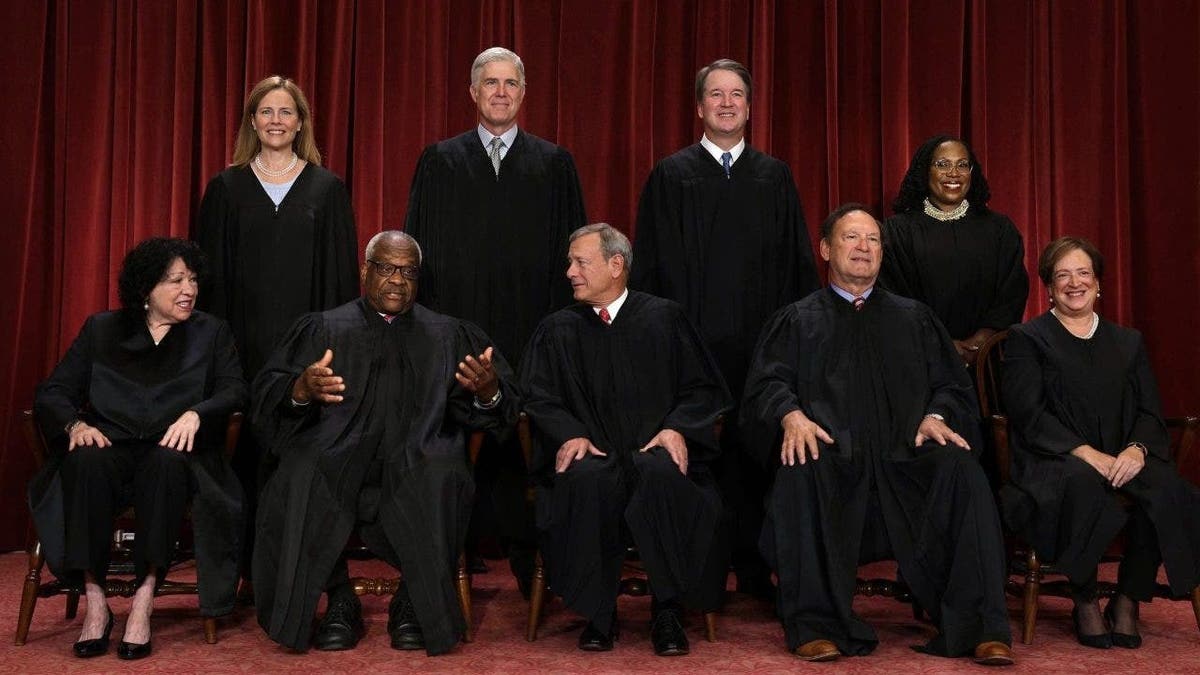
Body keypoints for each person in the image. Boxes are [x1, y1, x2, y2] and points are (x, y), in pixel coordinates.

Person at [741, 204, 1015, 666]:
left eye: (872, 239)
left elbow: (952, 386)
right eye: (851, 238)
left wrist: (937, 415)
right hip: (832, 458)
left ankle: (979, 626)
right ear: (826, 249)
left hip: (906, 457)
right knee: (800, 466)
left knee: (960, 469)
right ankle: (815, 624)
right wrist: (790, 415)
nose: (863, 247)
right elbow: (766, 385)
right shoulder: (797, 320)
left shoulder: (915, 319)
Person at [250, 231, 519, 655]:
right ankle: (340, 598)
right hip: (337, 452)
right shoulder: (323, 327)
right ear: (365, 271)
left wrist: (489, 392)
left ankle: (413, 601)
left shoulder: (448, 335)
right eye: (387, 268)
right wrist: (300, 389)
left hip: (418, 453)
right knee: (298, 475)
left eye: (408, 271)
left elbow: (496, 410)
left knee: (443, 474)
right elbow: (267, 397)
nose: (397, 280)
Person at [632, 59, 819, 597]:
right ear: (699, 106)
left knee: (756, 451)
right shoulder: (671, 175)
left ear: (749, 106)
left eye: (737, 94)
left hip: (761, 347)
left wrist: (791, 344)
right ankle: (698, 572)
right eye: (716, 94)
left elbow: (796, 266)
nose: (728, 103)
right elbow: (650, 267)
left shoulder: (774, 175)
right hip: (691, 345)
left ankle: (757, 564)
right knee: (696, 456)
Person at [404, 46, 587, 589]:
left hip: (532, 324)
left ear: (524, 93)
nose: (501, 93)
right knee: (460, 432)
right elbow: (416, 251)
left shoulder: (554, 164)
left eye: (511, 84)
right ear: (473, 93)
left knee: (527, 432)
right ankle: (460, 541)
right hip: (459, 325)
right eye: (491, 84)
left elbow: (574, 253)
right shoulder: (439, 161)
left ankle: (529, 545)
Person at [29, 238, 246, 660]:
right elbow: (53, 392)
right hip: (112, 444)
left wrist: (198, 413)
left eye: (193, 279)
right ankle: (96, 602)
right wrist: (75, 424)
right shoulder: (101, 329)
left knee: (166, 465)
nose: (189, 290)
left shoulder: (210, 332)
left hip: (172, 449)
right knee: (86, 462)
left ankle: (144, 598)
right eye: (176, 281)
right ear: (146, 290)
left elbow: (236, 389)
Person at [520, 223, 731, 656]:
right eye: (570, 262)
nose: (570, 272)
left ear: (616, 265)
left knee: (661, 473)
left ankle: (668, 610)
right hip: (593, 455)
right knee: (587, 480)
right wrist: (570, 433)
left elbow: (704, 390)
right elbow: (538, 397)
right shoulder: (557, 330)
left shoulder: (665, 318)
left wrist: (677, 428)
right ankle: (599, 613)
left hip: (652, 451)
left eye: (580, 262)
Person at [195, 75, 359, 588]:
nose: (276, 121)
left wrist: (329, 353)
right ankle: (243, 573)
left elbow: (339, 279)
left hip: (304, 354)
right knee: (243, 459)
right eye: (266, 112)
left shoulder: (326, 188)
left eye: (286, 112)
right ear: (251, 121)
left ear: (301, 122)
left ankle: (299, 573)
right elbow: (210, 278)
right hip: (241, 346)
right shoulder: (225, 188)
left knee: (302, 459)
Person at [1001, 236, 1200, 649]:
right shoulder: (1028, 338)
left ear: (1098, 283)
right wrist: (1087, 453)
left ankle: (1128, 598)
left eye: (1083, 273)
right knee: (1082, 484)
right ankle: (1085, 596)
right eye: (1062, 276)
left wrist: (1136, 450)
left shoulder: (1128, 342)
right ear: (1049, 287)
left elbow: (1149, 411)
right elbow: (1028, 413)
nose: (1074, 283)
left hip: (1120, 454)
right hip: (1055, 457)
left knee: (1167, 490)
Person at [880, 134, 1029, 367]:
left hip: (986, 362)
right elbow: (893, 297)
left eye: (962, 164)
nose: (954, 173)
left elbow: (1012, 292)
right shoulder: (897, 231)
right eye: (942, 164)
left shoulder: (999, 229)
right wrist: (942, 344)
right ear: (925, 171)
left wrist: (980, 343)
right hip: (919, 359)